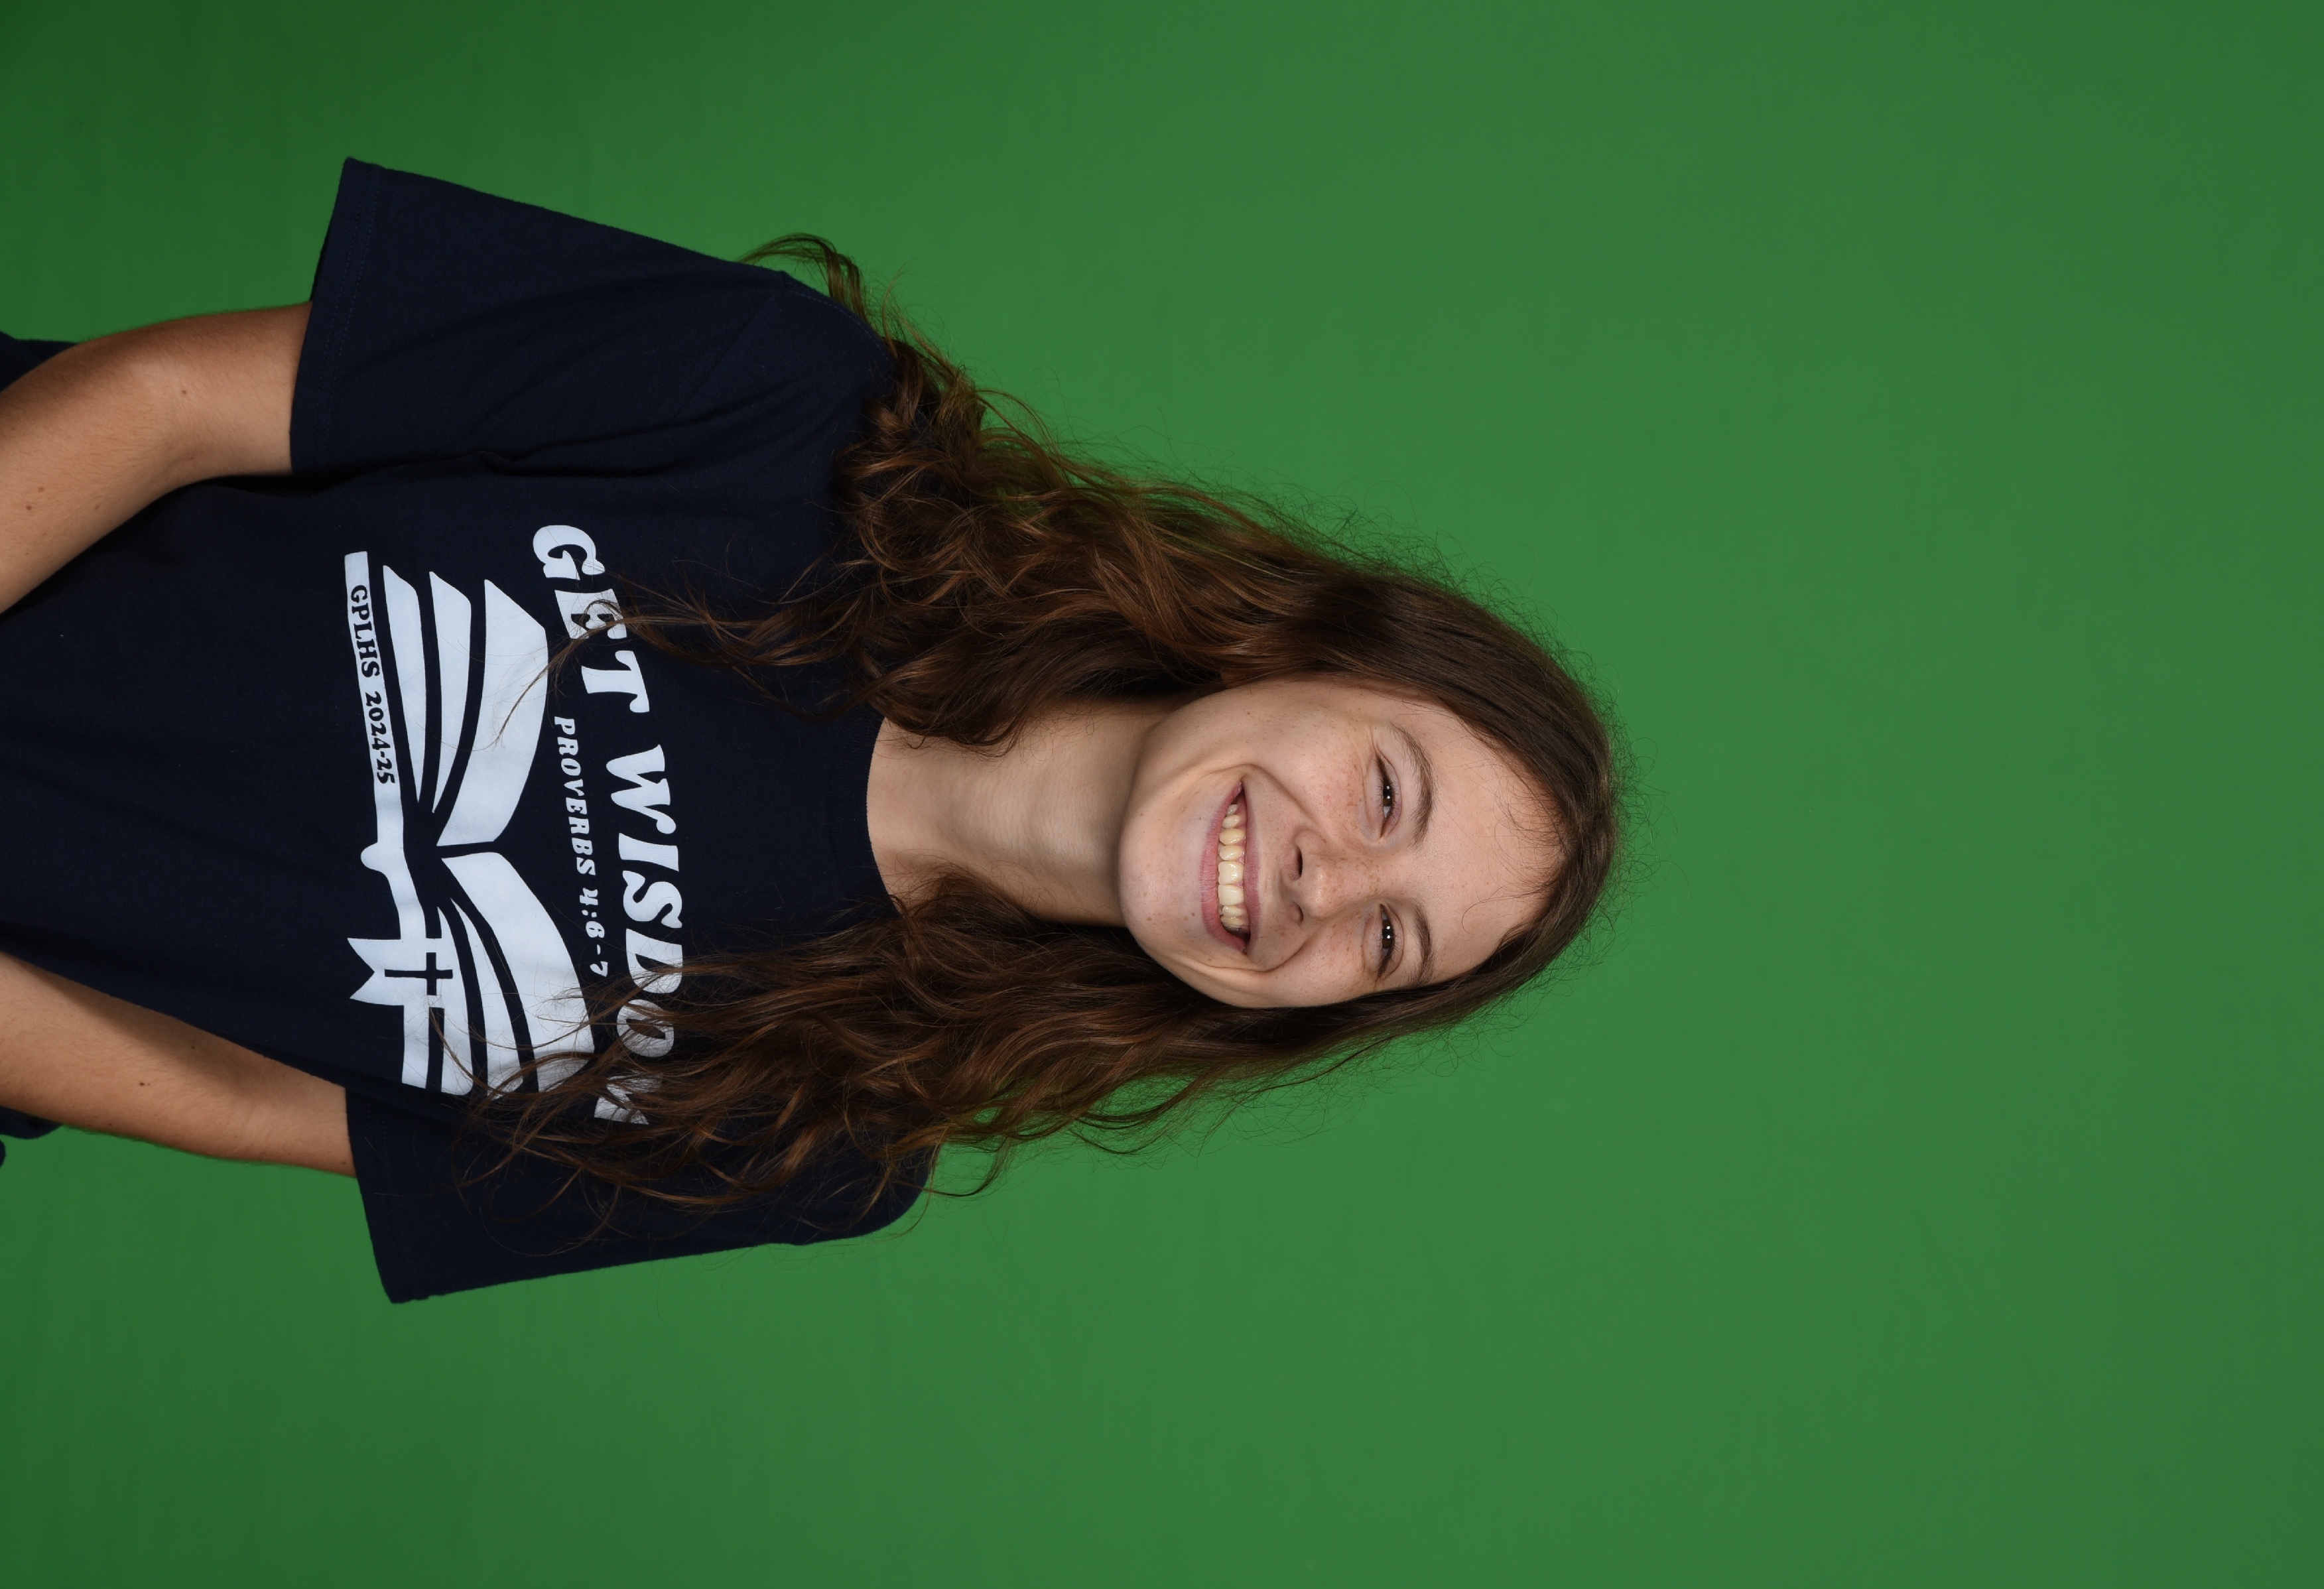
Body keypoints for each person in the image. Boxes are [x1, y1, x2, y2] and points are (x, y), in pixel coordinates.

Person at [0, 161, 1620, 1301]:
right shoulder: (794, 413)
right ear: (1309, 647)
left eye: (1388, 943)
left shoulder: (821, 1144)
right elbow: (169, 401)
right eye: (1386, 793)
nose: (1329, 884)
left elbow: (258, 1102)